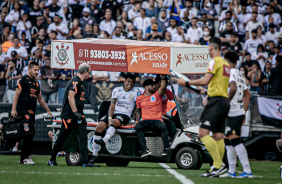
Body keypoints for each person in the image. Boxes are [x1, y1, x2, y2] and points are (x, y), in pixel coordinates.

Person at [177, 37, 230, 177]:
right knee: (218, 136)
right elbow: (218, 85)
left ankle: (218, 164)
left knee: (202, 133)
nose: (208, 49)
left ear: (212, 47)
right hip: (223, 101)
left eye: (208, 47)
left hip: (215, 102)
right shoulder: (225, 64)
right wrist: (206, 91)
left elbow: (205, 80)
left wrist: (186, 83)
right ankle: (219, 166)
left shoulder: (214, 61)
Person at [47, 63, 94, 167]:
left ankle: (86, 162)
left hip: (79, 116)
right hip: (69, 116)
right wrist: (75, 112)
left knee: (83, 138)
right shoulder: (75, 81)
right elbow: (70, 96)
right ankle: (51, 160)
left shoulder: (80, 83)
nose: (89, 75)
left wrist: (79, 114)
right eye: (89, 73)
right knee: (61, 138)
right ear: (85, 72)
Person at [88, 74, 140, 165]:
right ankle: (94, 155)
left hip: (125, 115)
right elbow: (112, 105)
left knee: (113, 122)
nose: (130, 84)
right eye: (128, 81)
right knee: (99, 126)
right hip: (114, 113)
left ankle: (103, 140)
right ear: (124, 81)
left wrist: (133, 120)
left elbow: (137, 107)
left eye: (132, 82)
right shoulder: (117, 90)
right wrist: (109, 117)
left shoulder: (136, 91)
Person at [11, 61, 53, 164]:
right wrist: (13, 109)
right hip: (23, 112)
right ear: (29, 70)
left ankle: (22, 159)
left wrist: (48, 110)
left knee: (29, 134)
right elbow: (16, 95)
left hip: (32, 112)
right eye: (35, 70)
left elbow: (40, 99)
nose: (37, 72)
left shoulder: (36, 83)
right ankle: (27, 157)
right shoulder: (23, 80)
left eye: (38, 70)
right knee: (28, 133)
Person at [219, 51, 253, 178]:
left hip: (232, 112)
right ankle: (231, 171)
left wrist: (226, 103)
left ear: (226, 60)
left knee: (235, 141)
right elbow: (247, 94)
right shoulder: (239, 73)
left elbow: (232, 88)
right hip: (237, 111)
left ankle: (247, 171)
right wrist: (243, 112)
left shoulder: (230, 72)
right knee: (228, 141)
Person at [135, 75, 170, 157]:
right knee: (137, 127)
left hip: (157, 121)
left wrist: (163, 78)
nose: (154, 87)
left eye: (154, 85)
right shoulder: (139, 98)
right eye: (152, 85)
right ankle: (144, 149)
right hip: (145, 121)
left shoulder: (157, 95)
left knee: (163, 126)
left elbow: (163, 87)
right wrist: (136, 121)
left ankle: (166, 148)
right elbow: (138, 112)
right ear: (146, 87)